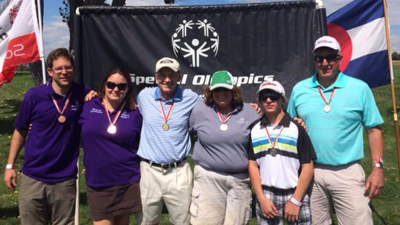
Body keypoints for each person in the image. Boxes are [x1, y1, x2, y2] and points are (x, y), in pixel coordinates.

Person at [287, 36, 384, 225]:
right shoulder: (300, 89)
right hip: (309, 173)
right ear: (314, 60)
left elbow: (374, 130)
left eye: (330, 57)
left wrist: (377, 169)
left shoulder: (359, 88)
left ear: (339, 59)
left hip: (347, 172)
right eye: (319, 58)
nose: (325, 63)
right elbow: (288, 126)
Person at [3, 48, 91, 224]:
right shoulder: (34, 96)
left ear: (73, 69)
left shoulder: (83, 93)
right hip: (33, 177)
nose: (64, 72)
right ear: (50, 72)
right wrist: (10, 165)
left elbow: (109, 101)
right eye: (58, 69)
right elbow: (20, 130)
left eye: (67, 67)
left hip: (64, 179)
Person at [189, 70, 259, 225]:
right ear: (210, 92)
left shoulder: (249, 111)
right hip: (208, 179)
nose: (221, 93)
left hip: (239, 181)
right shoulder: (200, 110)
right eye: (217, 90)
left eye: (225, 89)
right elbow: (189, 133)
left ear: (233, 91)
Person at [137, 57, 201, 225]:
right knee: (146, 221)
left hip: (178, 171)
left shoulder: (191, 98)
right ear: (155, 77)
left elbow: (215, 108)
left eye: (171, 75)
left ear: (179, 76)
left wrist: (247, 107)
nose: (167, 79)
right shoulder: (144, 96)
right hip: (149, 171)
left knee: (182, 221)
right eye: (162, 75)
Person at [79, 68, 143, 225]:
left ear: (127, 89)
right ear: (103, 86)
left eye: (122, 86)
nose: (116, 89)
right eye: (111, 84)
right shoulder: (87, 106)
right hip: (98, 182)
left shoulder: (134, 112)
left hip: (127, 180)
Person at [249, 81, 316, 225]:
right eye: (263, 97)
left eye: (273, 96)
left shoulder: (297, 127)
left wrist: (296, 200)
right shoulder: (254, 129)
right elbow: (253, 165)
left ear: (283, 100)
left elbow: (308, 166)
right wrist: (261, 198)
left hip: (295, 192)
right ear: (259, 101)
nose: (268, 100)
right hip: (266, 194)